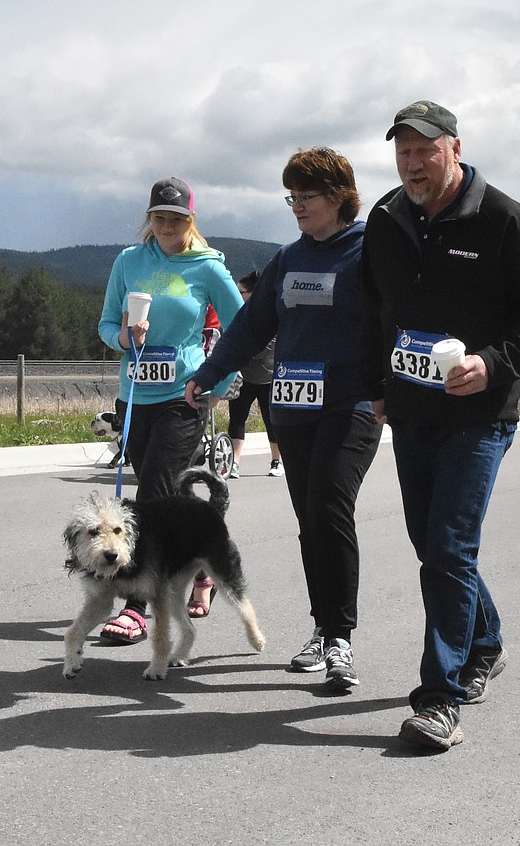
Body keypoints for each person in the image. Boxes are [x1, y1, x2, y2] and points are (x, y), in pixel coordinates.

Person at [360, 100, 520, 750]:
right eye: (404, 151)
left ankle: (439, 699)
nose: (415, 162)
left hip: (479, 414)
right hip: (412, 410)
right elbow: (374, 311)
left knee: (449, 547)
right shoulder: (387, 218)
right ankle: (485, 642)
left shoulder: (501, 218)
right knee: (433, 546)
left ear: (454, 147)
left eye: (426, 149)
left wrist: (494, 363)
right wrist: (378, 387)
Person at [187, 148, 382, 691]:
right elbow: (251, 326)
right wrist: (209, 372)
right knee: (309, 518)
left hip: (353, 405)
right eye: (291, 196)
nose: (296, 206)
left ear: (340, 197)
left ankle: (341, 636)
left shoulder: (369, 252)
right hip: (293, 406)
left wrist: (388, 387)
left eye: (307, 196)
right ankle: (324, 627)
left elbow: (396, 318)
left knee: (328, 506)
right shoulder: (288, 258)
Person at [96, 177, 242, 643]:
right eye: (158, 217)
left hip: (185, 395)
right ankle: (203, 555)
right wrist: (124, 338)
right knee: (160, 491)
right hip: (135, 395)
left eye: (175, 219)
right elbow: (104, 323)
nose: (165, 226)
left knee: (153, 494)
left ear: (190, 221)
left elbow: (245, 329)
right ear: (149, 218)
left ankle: (138, 605)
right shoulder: (129, 262)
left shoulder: (208, 267)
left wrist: (217, 385)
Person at [226, 271, 283, 479]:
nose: (237, 294)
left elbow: (265, 348)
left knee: (271, 421)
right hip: (243, 376)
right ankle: (234, 463)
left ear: (252, 292)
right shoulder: (238, 313)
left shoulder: (271, 312)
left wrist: (241, 348)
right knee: (237, 419)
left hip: (268, 378)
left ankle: (276, 461)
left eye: (241, 291)